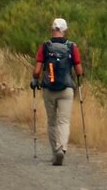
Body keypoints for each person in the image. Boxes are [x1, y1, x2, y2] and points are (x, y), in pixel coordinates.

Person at [32, 18, 84, 166]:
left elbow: (37, 71)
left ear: (52, 29)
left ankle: (55, 152)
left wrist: (35, 80)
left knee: (52, 121)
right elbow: (79, 71)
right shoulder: (72, 47)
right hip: (66, 89)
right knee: (64, 121)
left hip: (49, 89)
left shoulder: (45, 46)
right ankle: (62, 148)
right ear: (64, 30)